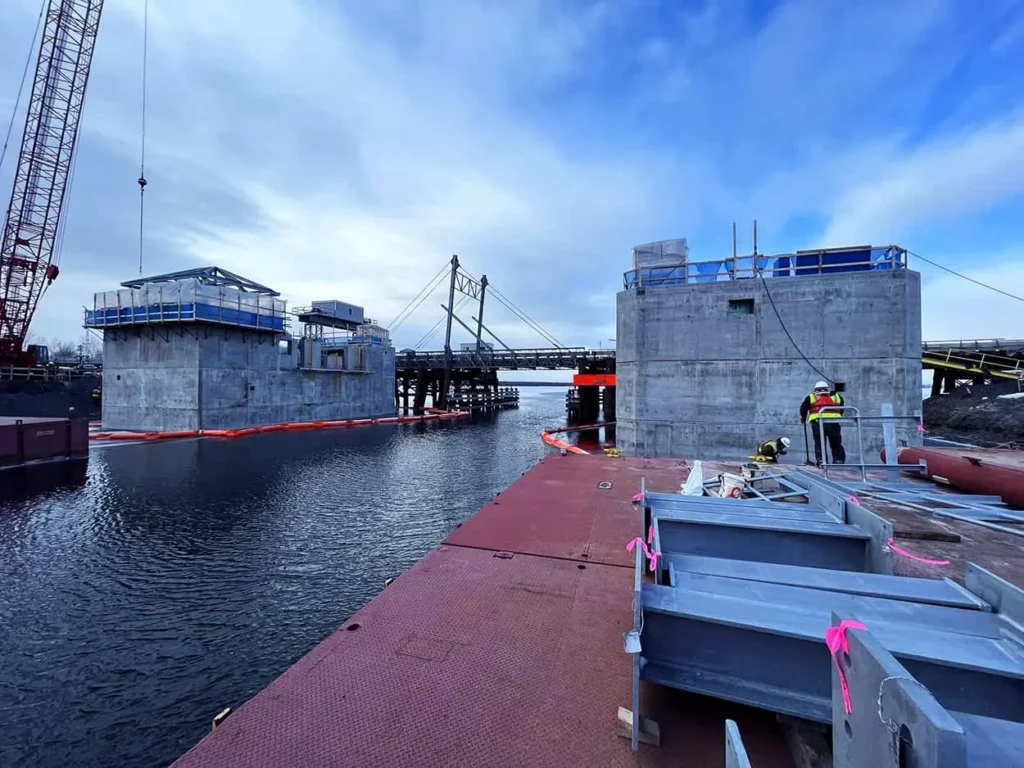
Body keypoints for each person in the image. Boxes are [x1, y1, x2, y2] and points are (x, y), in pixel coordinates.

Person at [800, 380, 846, 465]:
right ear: (827, 389)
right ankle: (838, 460)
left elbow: (803, 408)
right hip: (834, 422)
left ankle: (821, 461)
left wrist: (803, 418)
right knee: (836, 442)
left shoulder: (811, 397)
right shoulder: (836, 396)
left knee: (820, 443)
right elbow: (841, 407)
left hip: (817, 422)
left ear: (815, 389)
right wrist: (838, 415)